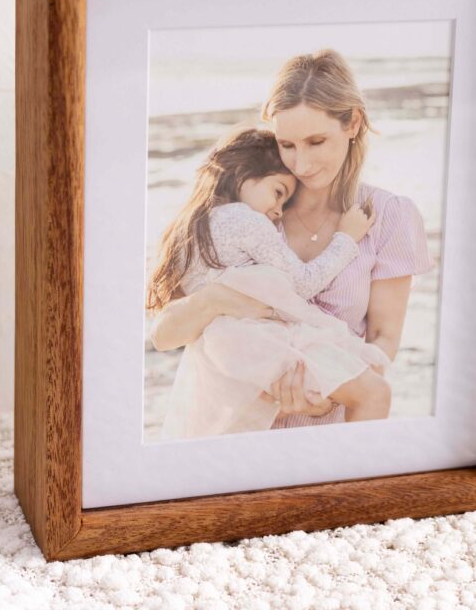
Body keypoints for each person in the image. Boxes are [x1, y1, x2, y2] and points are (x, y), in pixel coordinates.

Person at [150, 48, 435, 430]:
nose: (301, 164)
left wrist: (324, 390)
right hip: (239, 430)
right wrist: (220, 299)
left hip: (330, 430)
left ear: (352, 123)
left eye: (316, 142)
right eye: (287, 145)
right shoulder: (253, 205)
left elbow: (384, 339)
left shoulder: (387, 217)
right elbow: (165, 335)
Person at [146, 126, 391, 439]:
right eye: (278, 192)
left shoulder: (186, 233)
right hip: (260, 341)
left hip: (224, 357)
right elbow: (302, 283)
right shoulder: (243, 219)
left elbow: (170, 325)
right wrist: (347, 238)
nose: (277, 212)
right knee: (374, 393)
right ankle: (361, 481)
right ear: (242, 175)